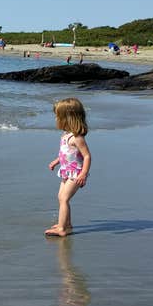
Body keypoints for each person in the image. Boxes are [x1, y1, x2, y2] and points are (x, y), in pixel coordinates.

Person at [46, 97, 92, 237]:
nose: (56, 119)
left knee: (64, 199)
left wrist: (83, 174)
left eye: (58, 116)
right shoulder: (66, 135)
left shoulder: (77, 138)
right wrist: (57, 160)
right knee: (60, 197)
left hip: (76, 173)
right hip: (66, 171)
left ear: (68, 118)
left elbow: (87, 156)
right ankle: (67, 223)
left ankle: (61, 228)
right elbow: (67, 154)